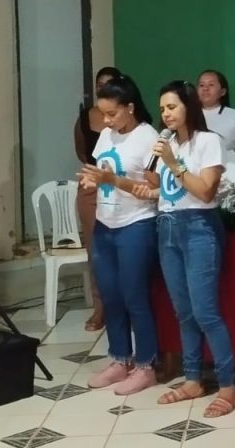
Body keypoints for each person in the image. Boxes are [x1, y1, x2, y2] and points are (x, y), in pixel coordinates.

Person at [131, 81, 235, 415]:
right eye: (162, 108)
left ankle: (228, 386)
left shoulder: (208, 142)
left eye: (172, 107)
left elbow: (206, 191)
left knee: (206, 311)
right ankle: (192, 378)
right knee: (184, 311)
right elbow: (161, 185)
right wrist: (152, 172)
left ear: (188, 107)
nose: (166, 114)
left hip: (198, 228)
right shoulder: (166, 145)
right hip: (166, 226)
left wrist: (173, 163)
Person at [78, 74, 161, 395]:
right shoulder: (107, 136)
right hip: (106, 223)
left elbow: (154, 189)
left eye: (112, 114)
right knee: (111, 296)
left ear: (130, 107)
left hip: (136, 224)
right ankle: (119, 358)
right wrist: (91, 182)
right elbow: (98, 171)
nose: (107, 121)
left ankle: (145, 365)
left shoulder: (148, 138)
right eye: (103, 114)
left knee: (134, 297)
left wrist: (110, 180)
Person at [72, 66, 120, 331]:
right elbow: (81, 151)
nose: (103, 87)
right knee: (96, 251)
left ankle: (124, 307)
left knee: (122, 249)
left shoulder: (129, 117)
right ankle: (100, 308)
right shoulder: (85, 116)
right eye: (99, 83)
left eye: (109, 83)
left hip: (121, 186)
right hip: (91, 188)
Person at [198, 69, 235, 159]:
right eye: (201, 85)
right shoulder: (187, 116)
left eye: (211, 85)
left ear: (223, 92)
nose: (205, 89)